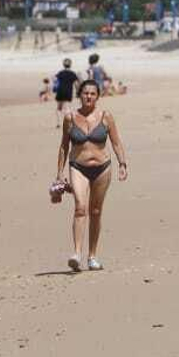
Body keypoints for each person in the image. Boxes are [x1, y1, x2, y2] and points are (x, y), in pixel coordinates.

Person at [53, 79, 128, 272]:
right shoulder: (70, 118)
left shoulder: (106, 116)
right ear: (80, 95)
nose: (89, 96)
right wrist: (60, 173)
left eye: (92, 94)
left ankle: (92, 256)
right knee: (80, 207)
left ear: (97, 96)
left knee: (96, 211)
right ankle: (77, 254)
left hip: (103, 168)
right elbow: (63, 147)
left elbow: (116, 142)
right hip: (78, 167)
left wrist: (122, 163)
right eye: (85, 93)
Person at [52, 58, 80, 125]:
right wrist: (78, 92)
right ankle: (69, 122)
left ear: (63, 65)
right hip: (68, 92)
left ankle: (58, 123)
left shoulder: (60, 73)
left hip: (60, 91)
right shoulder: (72, 73)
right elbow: (76, 84)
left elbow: (55, 79)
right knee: (67, 107)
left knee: (59, 108)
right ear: (70, 65)